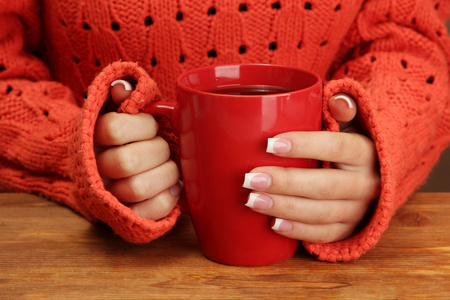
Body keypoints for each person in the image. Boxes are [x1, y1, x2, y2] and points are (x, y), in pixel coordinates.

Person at [0, 0, 449, 262]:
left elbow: (405, 41)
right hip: (104, 260)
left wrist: (375, 140)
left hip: (305, 266)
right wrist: (78, 149)